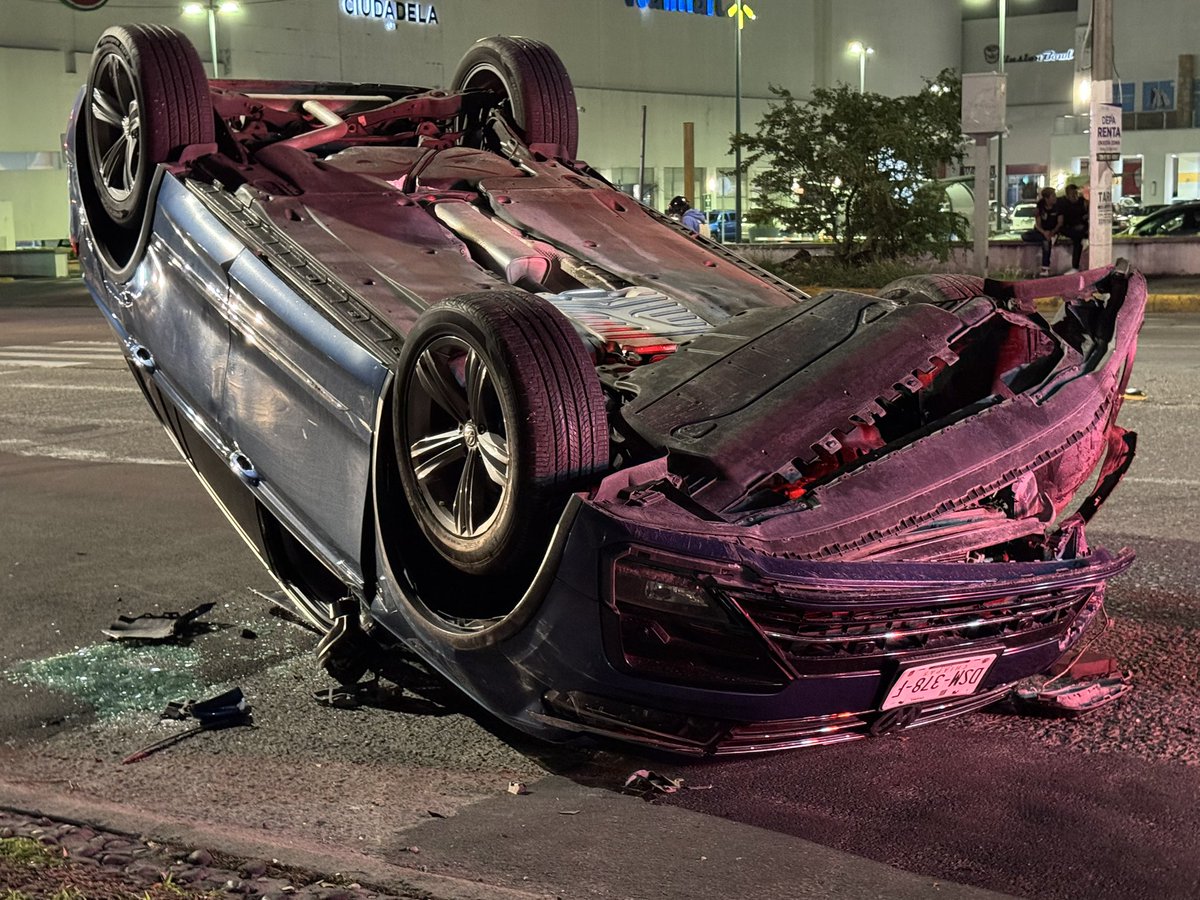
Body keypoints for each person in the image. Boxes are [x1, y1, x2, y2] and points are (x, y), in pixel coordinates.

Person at [1022, 186, 1062, 276]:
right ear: (1047, 198)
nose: (1055, 198)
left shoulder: (1057, 206)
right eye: (1053, 196)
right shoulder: (1040, 205)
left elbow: (1060, 223)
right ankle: (1047, 239)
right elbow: (1038, 224)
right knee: (1025, 236)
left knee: (1046, 242)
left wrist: (1052, 233)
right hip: (1042, 231)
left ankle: (1045, 268)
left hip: (1053, 231)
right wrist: (1044, 233)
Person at [1060, 183, 1088, 272]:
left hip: (1081, 227)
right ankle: (1075, 266)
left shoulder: (1081, 201)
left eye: (1076, 193)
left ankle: (1075, 267)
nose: (1075, 196)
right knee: (1078, 238)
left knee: (1078, 239)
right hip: (1068, 227)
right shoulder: (1063, 203)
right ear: (1067, 194)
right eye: (1072, 194)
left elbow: (1085, 214)